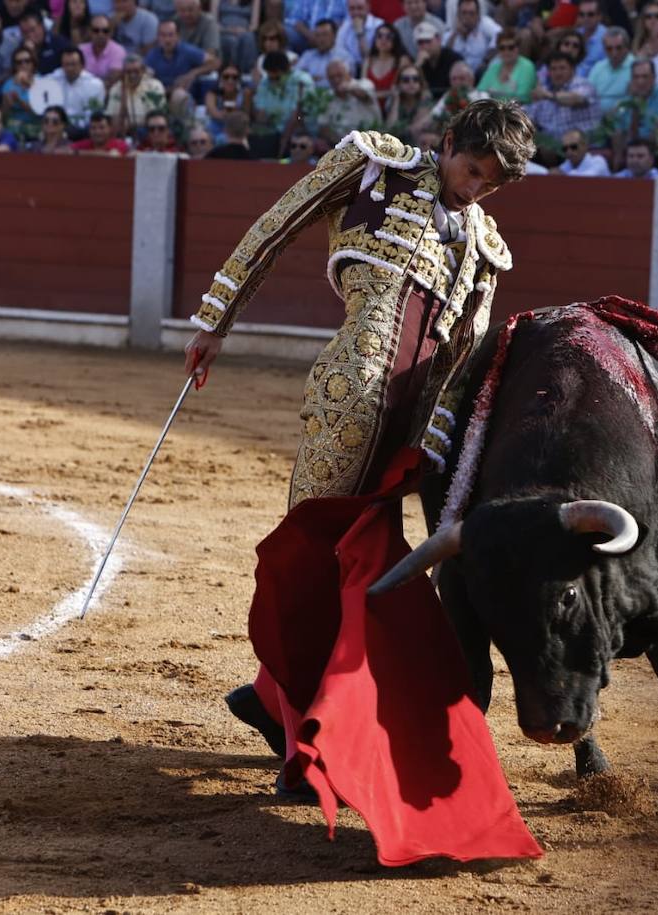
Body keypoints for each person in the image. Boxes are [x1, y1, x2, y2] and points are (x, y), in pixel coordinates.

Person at [185, 105, 536, 796]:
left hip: (407, 433)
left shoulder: (485, 245)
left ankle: (268, 700)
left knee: (366, 579)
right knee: (312, 564)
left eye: (491, 185)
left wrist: (431, 446)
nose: (475, 190)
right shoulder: (375, 167)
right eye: (473, 171)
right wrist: (215, 321)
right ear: (448, 145)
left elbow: (461, 357)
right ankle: (300, 748)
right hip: (349, 399)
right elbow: (274, 228)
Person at [526, 50, 599, 149]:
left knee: (547, 148)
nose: (558, 73)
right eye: (553, 69)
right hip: (552, 146)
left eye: (562, 68)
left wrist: (548, 95)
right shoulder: (545, 89)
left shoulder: (583, 85)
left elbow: (576, 99)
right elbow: (530, 117)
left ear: (572, 69)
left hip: (581, 146)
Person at [253, 49, 313, 153]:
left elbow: (299, 115)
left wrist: (284, 140)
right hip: (272, 130)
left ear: (287, 70)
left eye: (276, 78)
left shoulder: (302, 81)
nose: (272, 81)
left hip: (299, 130)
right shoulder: (265, 82)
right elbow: (260, 111)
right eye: (270, 77)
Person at [317, 57, 379, 145]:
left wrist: (348, 88)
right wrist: (343, 144)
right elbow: (323, 126)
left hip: (370, 143)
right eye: (332, 77)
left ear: (349, 74)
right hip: (341, 145)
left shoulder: (365, 84)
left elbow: (364, 95)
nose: (336, 80)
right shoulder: (327, 96)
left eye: (339, 75)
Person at [110, 52, 169, 138]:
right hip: (123, 132)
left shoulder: (154, 86)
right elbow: (112, 118)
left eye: (136, 71)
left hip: (148, 131)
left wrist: (133, 124)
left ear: (143, 70)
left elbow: (158, 116)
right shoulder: (116, 89)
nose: (132, 75)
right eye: (128, 72)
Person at [477, 26, 536, 103]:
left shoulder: (527, 66)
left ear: (518, 48)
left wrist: (493, 93)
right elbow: (480, 91)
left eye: (511, 47)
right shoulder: (494, 66)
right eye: (502, 48)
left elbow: (522, 97)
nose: (506, 51)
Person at [363, 22, 411, 112]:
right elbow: (363, 87)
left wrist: (373, 95)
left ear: (395, 40)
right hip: (369, 109)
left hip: (393, 108)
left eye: (388, 37)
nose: (383, 40)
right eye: (379, 36)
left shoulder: (402, 61)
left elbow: (399, 90)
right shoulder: (368, 60)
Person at [444, 0, 500, 75]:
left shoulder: (485, 24)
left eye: (471, 13)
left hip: (481, 72)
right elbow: (443, 55)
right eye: (464, 13)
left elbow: (500, 35)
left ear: (478, 15)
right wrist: (456, 34)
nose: (467, 17)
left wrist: (486, 60)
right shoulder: (452, 33)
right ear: (458, 14)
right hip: (459, 76)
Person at [59, 46, 107, 131]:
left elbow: (94, 116)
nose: (70, 68)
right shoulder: (52, 80)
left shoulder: (96, 85)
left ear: (82, 65)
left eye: (73, 64)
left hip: (85, 131)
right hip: (58, 130)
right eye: (66, 64)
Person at [204, 61, 253, 139]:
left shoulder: (245, 93)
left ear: (239, 79)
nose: (230, 81)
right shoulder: (212, 94)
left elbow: (246, 115)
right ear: (220, 77)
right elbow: (213, 113)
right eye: (226, 77)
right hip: (217, 128)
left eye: (234, 77)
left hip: (238, 128)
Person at [414, 19, 463, 95]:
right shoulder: (420, 61)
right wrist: (417, 67)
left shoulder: (454, 59)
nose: (424, 46)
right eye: (420, 42)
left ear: (439, 40)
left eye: (428, 41)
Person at [299, 17, 352, 87]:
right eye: (317, 35)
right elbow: (296, 77)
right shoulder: (308, 55)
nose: (321, 39)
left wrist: (310, 79)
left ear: (335, 36)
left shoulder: (344, 57)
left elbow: (342, 81)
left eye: (325, 35)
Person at [334, 0, 384, 72]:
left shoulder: (379, 26)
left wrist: (360, 33)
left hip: (373, 69)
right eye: (352, 9)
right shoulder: (344, 27)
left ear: (368, 7)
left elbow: (370, 56)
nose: (356, 12)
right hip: (350, 71)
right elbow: (339, 54)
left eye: (360, 8)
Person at [84, 13, 127, 84]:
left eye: (105, 31)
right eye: (96, 30)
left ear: (111, 32)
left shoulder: (118, 51)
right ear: (89, 32)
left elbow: (113, 80)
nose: (100, 34)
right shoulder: (81, 50)